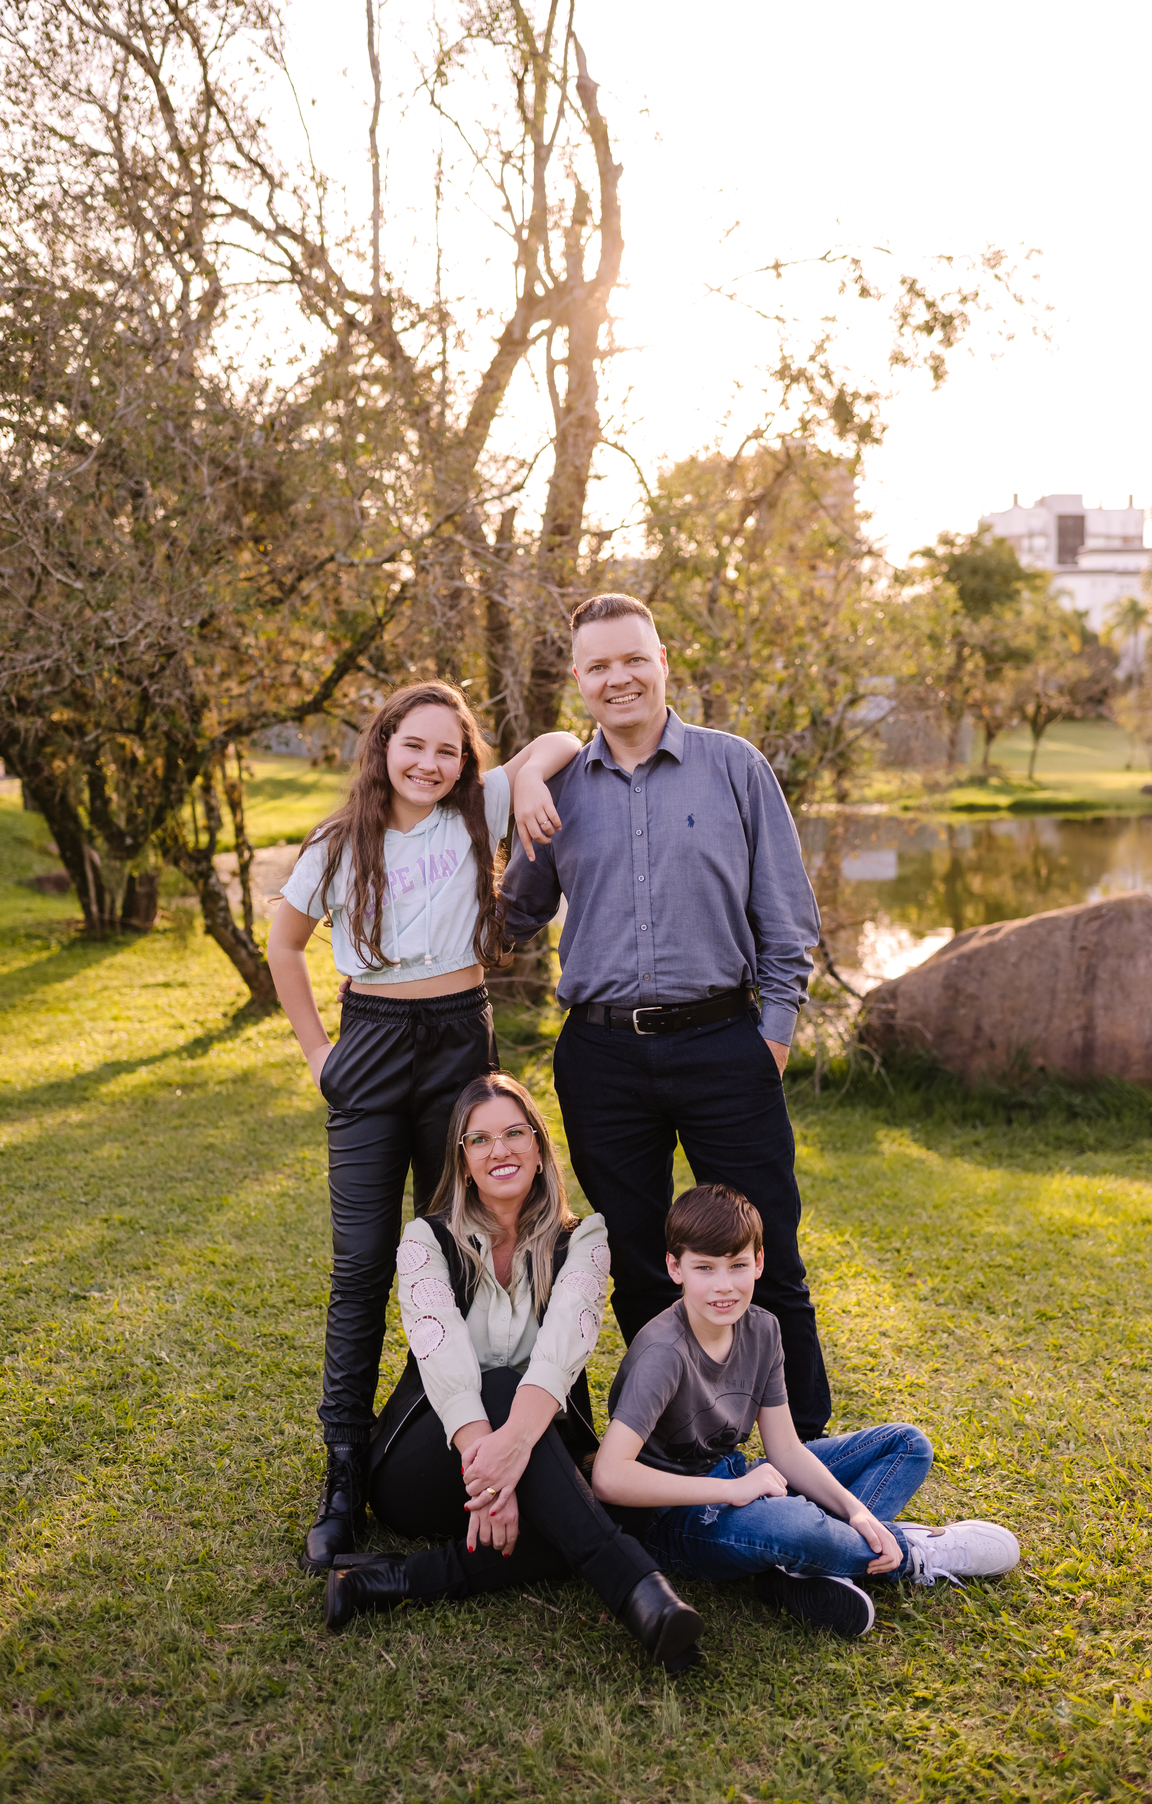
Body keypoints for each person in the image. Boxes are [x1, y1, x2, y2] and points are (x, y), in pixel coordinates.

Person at [268, 680, 582, 1571]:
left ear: (464, 761)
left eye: (448, 751)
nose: (429, 764)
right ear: (384, 745)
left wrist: (523, 779)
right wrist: (319, 1055)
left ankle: (460, 1427)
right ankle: (343, 1470)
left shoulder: (475, 810)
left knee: (465, 1241)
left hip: (457, 1045)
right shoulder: (338, 844)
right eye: (415, 746)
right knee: (363, 1262)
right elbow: (284, 944)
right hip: (367, 1046)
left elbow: (560, 737)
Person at [500, 592, 831, 1437]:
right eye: (600, 666)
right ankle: (680, 1447)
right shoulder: (559, 788)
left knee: (768, 1260)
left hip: (727, 1046)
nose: (619, 679)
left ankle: (810, 1450)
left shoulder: (734, 768)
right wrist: (503, 796)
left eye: (633, 659)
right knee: (645, 1268)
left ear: (662, 663)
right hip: (602, 1060)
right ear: (579, 680)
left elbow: (787, 919)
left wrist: (776, 1036)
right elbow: (512, 916)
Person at [323, 1074, 704, 1673]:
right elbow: (445, 1365)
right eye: (480, 1140)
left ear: (539, 1145)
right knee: (497, 1382)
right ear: (464, 1159)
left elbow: (559, 1354)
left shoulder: (585, 1239)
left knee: (626, 1493)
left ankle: (394, 1579)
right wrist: (493, 1473)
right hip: (425, 1464)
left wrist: (510, 1457)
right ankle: (637, 1592)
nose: (499, 1151)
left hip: (536, 1453)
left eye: (513, 1133)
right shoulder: (426, 1240)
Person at [592, 1183, 1020, 1639]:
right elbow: (609, 1477)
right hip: (676, 1520)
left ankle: (805, 1572)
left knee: (905, 1445)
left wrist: (856, 1511)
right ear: (675, 1268)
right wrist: (737, 1490)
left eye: (738, 1265)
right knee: (796, 1525)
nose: (724, 1285)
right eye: (705, 1268)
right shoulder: (663, 1352)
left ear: (758, 1261)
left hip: (738, 1478)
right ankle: (913, 1552)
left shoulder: (762, 1329)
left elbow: (787, 1451)